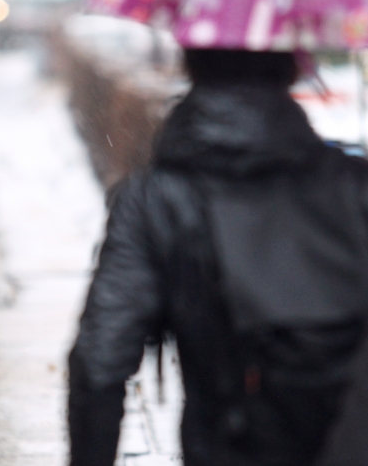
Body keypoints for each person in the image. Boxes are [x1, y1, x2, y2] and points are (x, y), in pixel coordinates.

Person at [68, 49, 368, 466]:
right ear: (294, 66)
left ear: (190, 64)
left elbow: (99, 363)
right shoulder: (353, 186)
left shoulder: (154, 200)